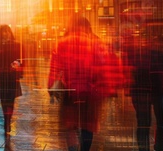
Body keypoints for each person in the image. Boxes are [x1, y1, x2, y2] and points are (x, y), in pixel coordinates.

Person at [48, 16, 105, 151]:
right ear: (88, 27)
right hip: (90, 92)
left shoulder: (62, 43)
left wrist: (51, 87)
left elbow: (55, 68)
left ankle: (73, 149)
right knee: (87, 126)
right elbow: (102, 67)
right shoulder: (95, 42)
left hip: (70, 92)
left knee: (70, 126)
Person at [0, 25, 23, 139]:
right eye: (3, 32)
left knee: (11, 99)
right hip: (0, 76)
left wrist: (18, 69)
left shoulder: (16, 44)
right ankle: (6, 119)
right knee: (4, 100)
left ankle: (8, 119)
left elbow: (19, 60)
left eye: (7, 31)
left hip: (12, 76)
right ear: (0, 33)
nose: (6, 34)